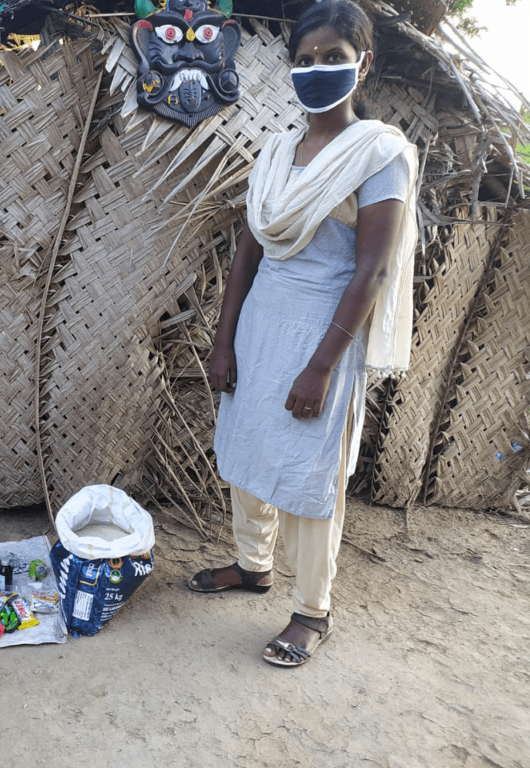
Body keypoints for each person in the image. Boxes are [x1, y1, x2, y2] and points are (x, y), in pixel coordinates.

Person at [188, 0, 419, 667]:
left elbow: (371, 271)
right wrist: (224, 339)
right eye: (306, 60)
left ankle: (312, 611)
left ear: (363, 64)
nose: (316, 70)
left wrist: (320, 367)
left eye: (333, 59)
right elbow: (248, 251)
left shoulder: (379, 155)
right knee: (250, 449)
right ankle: (252, 565)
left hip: (325, 334)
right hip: (262, 324)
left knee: (310, 475)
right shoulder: (279, 151)